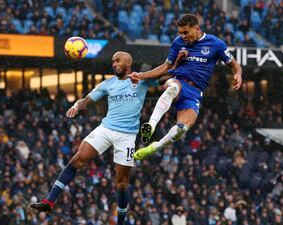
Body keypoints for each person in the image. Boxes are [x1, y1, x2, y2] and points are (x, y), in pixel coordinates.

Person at [31, 51, 158, 225]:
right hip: (106, 128)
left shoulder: (141, 80)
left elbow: (164, 73)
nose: (114, 64)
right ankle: (49, 201)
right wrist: (77, 105)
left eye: (117, 61)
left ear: (128, 63)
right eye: (112, 61)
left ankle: (121, 222)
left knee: (121, 183)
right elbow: (86, 100)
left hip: (127, 136)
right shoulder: (108, 84)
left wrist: (174, 66)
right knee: (77, 159)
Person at [130, 14, 242, 159]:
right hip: (179, 81)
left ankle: (153, 148)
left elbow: (234, 64)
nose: (182, 36)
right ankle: (150, 125)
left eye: (185, 32)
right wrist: (141, 75)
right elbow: (165, 68)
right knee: (173, 88)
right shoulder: (178, 42)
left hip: (195, 92)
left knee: (181, 129)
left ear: (197, 28)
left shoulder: (216, 44)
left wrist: (238, 74)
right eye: (180, 32)